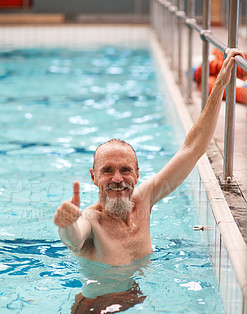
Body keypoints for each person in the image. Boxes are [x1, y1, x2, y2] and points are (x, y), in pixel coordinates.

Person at [54, 49, 242, 267]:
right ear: (93, 177)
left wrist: (219, 86)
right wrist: (67, 225)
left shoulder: (143, 200)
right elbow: (75, 240)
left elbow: (192, 149)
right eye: (107, 170)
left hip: (139, 295)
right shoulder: (91, 220)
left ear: (137, 174)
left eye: (125, 170)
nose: (117, 178)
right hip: (99, 301)